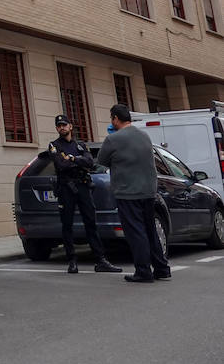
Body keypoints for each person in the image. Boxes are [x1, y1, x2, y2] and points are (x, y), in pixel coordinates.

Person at [97, 104, 172, 284]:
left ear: (115, 118)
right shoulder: (144, 136)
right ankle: (162, 268)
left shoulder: (113, 139)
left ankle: (143, 271)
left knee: (135, 232)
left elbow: (102, 160)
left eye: (111, 118)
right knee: (150, 230)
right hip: (148, 192)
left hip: (127, 192)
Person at [47, 116, 122, 274]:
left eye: (64, 125)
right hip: (66, 187)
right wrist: (77, 162)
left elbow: (90, 163)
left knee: (90, 223)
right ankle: (72, 260)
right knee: (67, 225)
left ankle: (100, 259)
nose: (61, 128)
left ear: (70, 126)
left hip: (83, 186)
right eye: (58, 126)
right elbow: (60, 164)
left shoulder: (80, 145)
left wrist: (72, 158)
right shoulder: (54, 146)